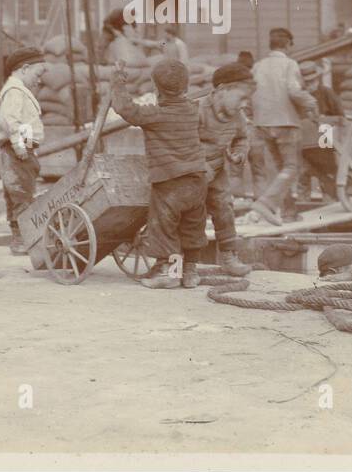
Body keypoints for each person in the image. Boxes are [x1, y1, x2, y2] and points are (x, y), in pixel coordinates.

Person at [111, 58, 208, 289]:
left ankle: (168, 272)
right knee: (192, 224)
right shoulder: (193, 111)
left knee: (166, 226)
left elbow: (125, 108)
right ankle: (190, 272)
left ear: (156, 89)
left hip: (169, 181)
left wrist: (117, 80)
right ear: (186, 88)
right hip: (197, 178)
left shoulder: (155, 114)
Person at [250, 27, 318, 224]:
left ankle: (289, 213)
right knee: (291, 167)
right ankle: (266, 203)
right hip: (285, 122)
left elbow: (251, 92)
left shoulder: (258, 66)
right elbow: (294, 91)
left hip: (263, 123)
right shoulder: (290, 64)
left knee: (281, 169)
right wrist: (311, 103)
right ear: (288, 45)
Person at [196, 63, 256, 277]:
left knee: (224, 209)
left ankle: (229, 256)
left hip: (217, 170)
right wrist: (197, 165)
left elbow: (241, 138)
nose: (244, 104)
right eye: (241, 98)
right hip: (193, 173)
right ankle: (185, 261)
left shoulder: (237, 116)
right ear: (221, 91)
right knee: (192, 216)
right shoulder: (198, 110)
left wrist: (239, 154)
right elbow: (183, 142)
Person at [0, 46, 47, 255]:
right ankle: (21, 239)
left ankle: (20, 239)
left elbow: (20, 124)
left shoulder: (18, 90)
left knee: (21, 193)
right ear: (24, 68)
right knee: (21, 195)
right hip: (17, 153)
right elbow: (10, 121)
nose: (39, 80)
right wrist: (21, 147)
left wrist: (30, 147)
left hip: (22, 151)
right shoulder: (14, 92)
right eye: (37, 74)